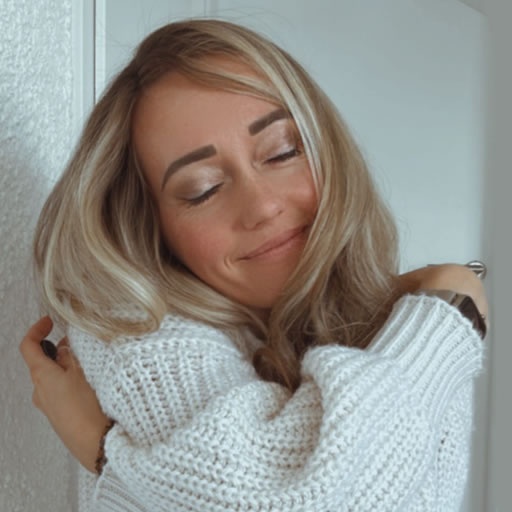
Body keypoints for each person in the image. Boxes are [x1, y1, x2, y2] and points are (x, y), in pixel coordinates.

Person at [19, 18, 487, 512]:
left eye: (282, 153)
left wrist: (110, 461)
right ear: (150, 225)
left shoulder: (395, 339)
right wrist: (449, 309)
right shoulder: (131, 325)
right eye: (203, 189)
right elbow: (295, 500)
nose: (262, 206)